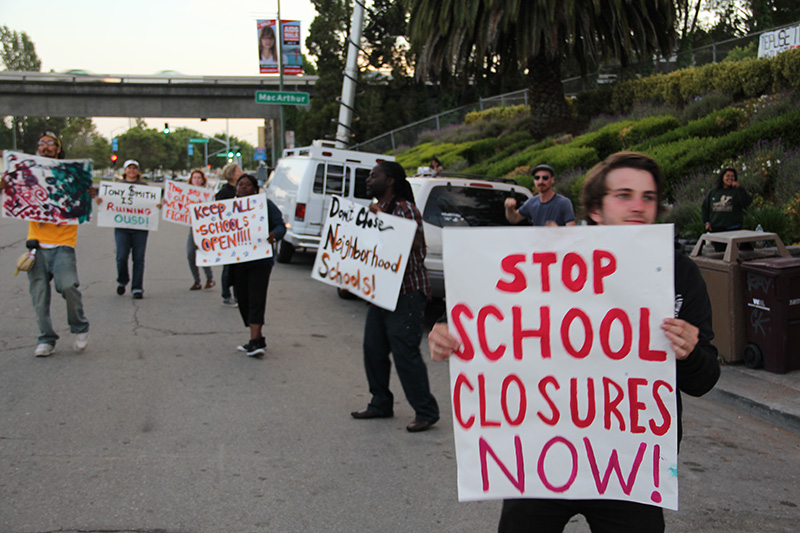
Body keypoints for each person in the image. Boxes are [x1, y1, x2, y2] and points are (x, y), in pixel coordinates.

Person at [428, 152, 720, 532]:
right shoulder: (545, 259)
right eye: (624, 195)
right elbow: (486, 317)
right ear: (595, 210)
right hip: (539, 459)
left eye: (648, 197)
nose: (637, 206)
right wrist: (446, 333)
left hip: (628, 467)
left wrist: (690, 352)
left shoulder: (678, 273)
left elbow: (704, 380)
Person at [350, 161, 440, 433]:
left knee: (405, 352)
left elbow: (414, 243)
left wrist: (382, 220)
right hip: (381, 291)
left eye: (373, 176)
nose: (368, 180)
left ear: (389, 181)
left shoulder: (404, 209)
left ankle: (426, 410)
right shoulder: (378, 210)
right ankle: (380, 402)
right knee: (373, 349)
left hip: (407, 292)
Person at [0, 132, 92, 357]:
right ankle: (46, 338)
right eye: (41, 143)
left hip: (63, 244)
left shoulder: (72, 173)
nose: (45, 146)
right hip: (37, 246)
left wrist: (88, 193)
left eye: (50, 143)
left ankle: (80, 327)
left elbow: (83, 200)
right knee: (39, 296)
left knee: (69, 286)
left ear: (58, 149)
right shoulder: (26, 173)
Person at [231, 174, 286, 357]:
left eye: (247, 185)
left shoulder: (265, 205)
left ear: (255, 189)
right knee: (243, 298)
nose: (243, 188)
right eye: (240, 184)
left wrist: (274, 235)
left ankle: (255, 342)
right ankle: (257, 338)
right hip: (239, 261)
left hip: (260, 261)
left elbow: (281, 226)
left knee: (256, 298)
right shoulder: (229, 208)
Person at [97, 160, 154, 299]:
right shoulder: (117, 186)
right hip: (122, 227)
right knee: (121, 257)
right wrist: (100, 201)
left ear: (138, 171)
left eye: (135, 168)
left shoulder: (144, 186)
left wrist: (157, 205)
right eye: (129, 168)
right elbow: (107, 201)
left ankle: (137, 288)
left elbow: (151, 203)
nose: (132, 170)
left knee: (139, 258)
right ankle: (122, 280)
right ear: (125, 170)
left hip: (140, 227)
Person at [504, 163, 576, 226]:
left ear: (553, 180)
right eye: (537, 178)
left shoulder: (564, 203)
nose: (541, 181)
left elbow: (572, 232)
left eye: (545, 178)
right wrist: (509, 208)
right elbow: (514, 218)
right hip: (538, 241)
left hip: (557, 241)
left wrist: (557, 230)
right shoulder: (531, 203)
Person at [702, 167, 752, 252]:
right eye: (727, 176)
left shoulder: (737, 191)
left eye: (732, 176)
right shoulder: (713, 192)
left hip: (733, 227)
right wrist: (707, 221)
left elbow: (746, 202)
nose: (730, 178)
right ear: (722, 177)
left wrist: (740, 188)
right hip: (717, 228)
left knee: (732, 252)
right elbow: (705, 207)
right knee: (720, 252)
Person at [217, 163, 243, 305]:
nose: (241, 172)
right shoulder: (224, 192)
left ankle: (239, 295)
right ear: (232, 174)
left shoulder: (243, 189)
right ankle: (226, 294)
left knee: (238, 267)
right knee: (228, 267)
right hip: (228, 235)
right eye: (239, 171)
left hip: (240, 234)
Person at [186, 169, 215, 291]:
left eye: (199, 178)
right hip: (193, 227)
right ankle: (197, 280)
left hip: (205, 228)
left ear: (203, 180)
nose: (196, 180)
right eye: (194, 178)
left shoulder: (208, 194)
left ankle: (210, 278)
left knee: (203, 252)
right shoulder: (186, 194)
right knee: (190, 253)